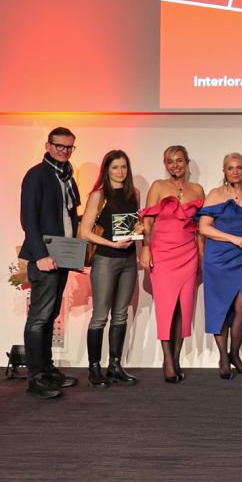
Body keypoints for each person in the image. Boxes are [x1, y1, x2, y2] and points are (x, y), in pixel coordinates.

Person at [20, 127, 83, 398]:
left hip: (63, 255)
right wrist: (40, 255)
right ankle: (35, 379)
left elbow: (69, 216)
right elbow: (29, 219)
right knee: (39, 318)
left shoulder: (67, 176)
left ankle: (46, 370)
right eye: (60, 146)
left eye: (69, 147)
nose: (65, 151)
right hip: (44, 257)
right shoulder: (36, 175)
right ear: (48, 146)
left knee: (50, 315)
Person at [77, 150, 143, 388]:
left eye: (124, 166)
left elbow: (133, 224)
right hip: (105, 259)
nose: (120, 171)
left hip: (129, 260)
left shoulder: (134, 193)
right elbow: (85, 232)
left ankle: (115, 365)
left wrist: (139, 228)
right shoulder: (99, 195)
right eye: (115, 167)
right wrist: (112, 244)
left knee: (121, 314)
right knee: (100, 317)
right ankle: (94, 368)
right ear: (106, 170)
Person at [139, 145, 204, 383]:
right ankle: (167, 361)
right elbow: (147, 222)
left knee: (183, 309)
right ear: (165, 164)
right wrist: (146, 248)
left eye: (179, 160)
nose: (175, 165)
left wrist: (201, 257)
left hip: (188, 254)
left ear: (187, 162)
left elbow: (200, 229)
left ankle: (176, 359)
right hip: (163, 254)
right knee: (166, 309)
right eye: (170, 161)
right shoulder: (158, 186)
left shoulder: (197, 189)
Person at [197, 152, 242, 379]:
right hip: (218, 258)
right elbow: (204, 228)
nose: (235, 171)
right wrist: (233, 239)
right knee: (220, 307)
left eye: (239, 167)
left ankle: (235, 354)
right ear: (224, 171)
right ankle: (223, 357)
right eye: (230, 168)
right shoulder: (215, 194)